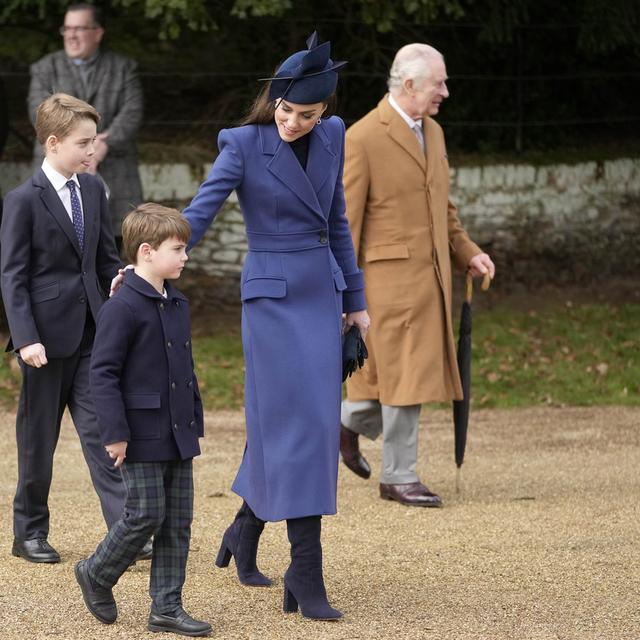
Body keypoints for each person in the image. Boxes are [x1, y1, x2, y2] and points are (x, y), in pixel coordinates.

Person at [183, 33, 369, 620]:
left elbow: (337, 222)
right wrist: (146, 261)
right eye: (285, 110)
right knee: (295, 427)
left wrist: (356, 299)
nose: (292, 122)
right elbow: (198, 214)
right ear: (273, 102)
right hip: (270, 303)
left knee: (302, 427)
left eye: (306, 115)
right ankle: (306, 574)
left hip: (322, 295)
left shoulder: (335, 137)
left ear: (326, 112)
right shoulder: (241, 143)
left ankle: (244, 528)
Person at [339, 44, 495, 507]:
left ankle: (345, 423)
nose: (445, 92)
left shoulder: (435, 132)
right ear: (409, 85)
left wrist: (467, 252)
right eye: (438, 84)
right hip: (384, 285)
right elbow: (344, 221)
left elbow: (441, 207)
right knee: (405, 380)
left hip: (433, 282)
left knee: (408, 379)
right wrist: (348, 291)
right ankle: (399, 475)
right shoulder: (361, 137)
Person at [0, 93, 126, 563]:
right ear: (53, 143)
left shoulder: (93, 190)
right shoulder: (21, 201)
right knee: (38, 441)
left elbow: (104, 260)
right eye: (84, 143)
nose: (92, 151)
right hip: (44, 342)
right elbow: (12, 276)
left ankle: (126, 531)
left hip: (94, 333)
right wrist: (26, 337)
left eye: (93, 142)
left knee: (104, 433)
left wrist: (122, 288)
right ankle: (29, 532)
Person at [75, 204, 211, 637]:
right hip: (139, 432)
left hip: (177, 432)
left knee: (178, 521)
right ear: (148, 252)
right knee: (144, 514)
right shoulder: (122, 306)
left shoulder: (177, 301)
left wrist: (193, 419)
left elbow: (182, 369)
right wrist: (114, 434)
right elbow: (103, 373)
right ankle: (96, 572)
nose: (186, 256)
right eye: (179, 248)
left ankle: (167, 608)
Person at [28, 2, 143, 250]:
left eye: (79, 28)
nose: (71, 35)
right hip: (57, 175)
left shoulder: (124, 68)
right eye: (67, 28)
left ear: (98, 32)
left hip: (114, 172)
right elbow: (40, 114)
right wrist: (82, 146)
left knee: (111, 251)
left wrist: (105, 143)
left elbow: (132, 112)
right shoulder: (45, 69)